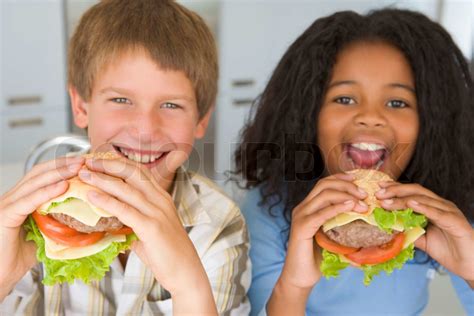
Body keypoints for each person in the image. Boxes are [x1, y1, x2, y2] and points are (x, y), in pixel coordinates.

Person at [0, 0, 250, 314]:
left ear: (201, 120)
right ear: (81, 107)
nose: (146, 128)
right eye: (121, 99)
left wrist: (188, 284)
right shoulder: (31, 212)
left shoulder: (219, 223)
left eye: (171, 105)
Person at [234, 8, 474, 316]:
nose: (370, 117)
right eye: (344, 99)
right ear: (309, 114)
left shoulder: (447, 210)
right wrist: (293, 286)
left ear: (430, 123)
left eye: (397, 102)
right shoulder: (267, 210)